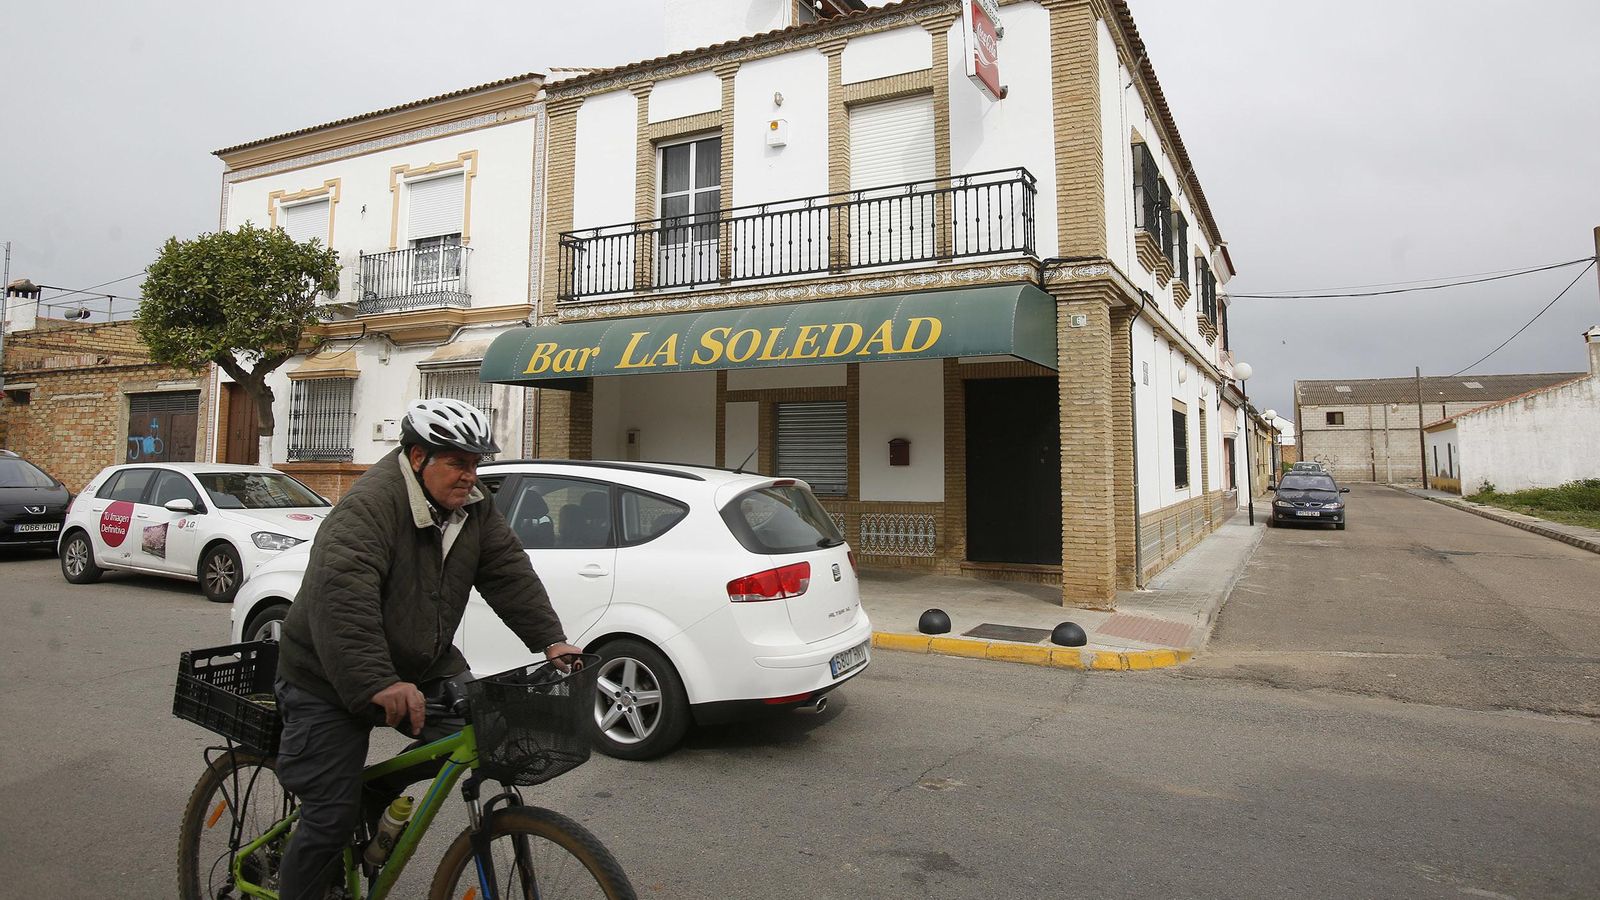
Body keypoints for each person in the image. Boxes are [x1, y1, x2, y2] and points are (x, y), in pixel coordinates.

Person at [273, 398, 581, 899]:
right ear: (418, 457)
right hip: (325, 677)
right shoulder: (369, 507)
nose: (470, 476)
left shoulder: (472, 505)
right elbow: (344, 598)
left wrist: (550, 638)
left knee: (484, 732)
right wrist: (379, 681)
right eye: (458, 462)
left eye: (476, 463)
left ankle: (375, 789)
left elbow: (506, 570)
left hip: (422, 662)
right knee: (329, 819)